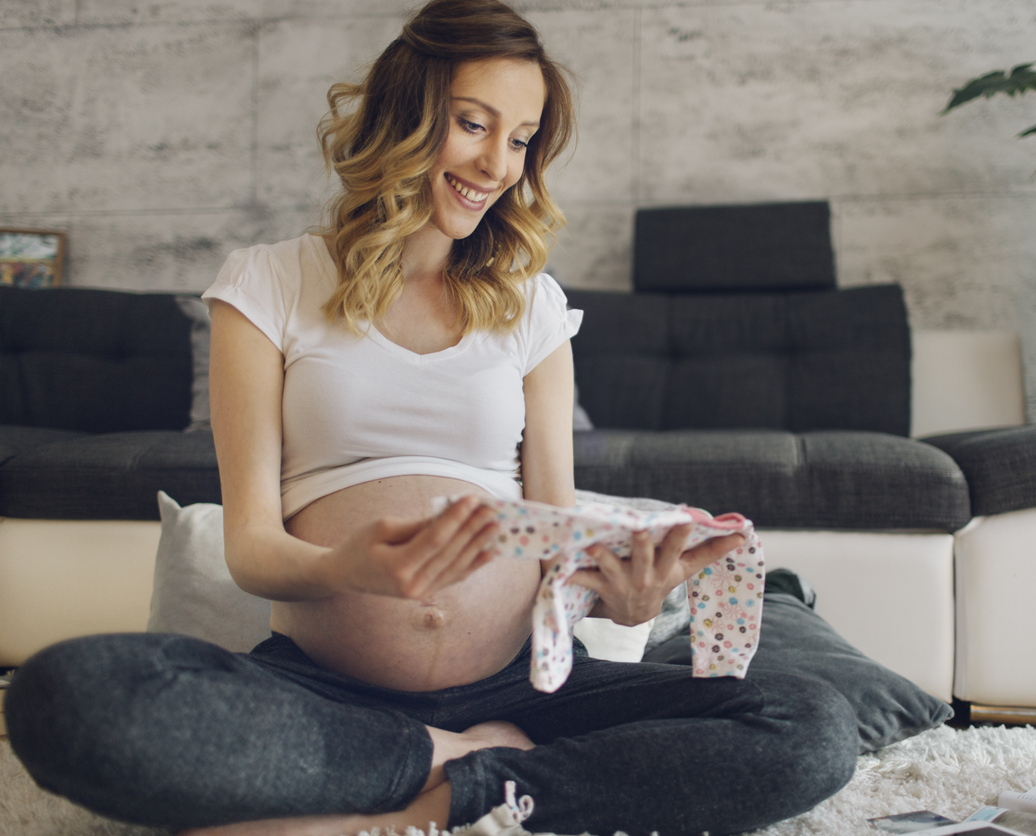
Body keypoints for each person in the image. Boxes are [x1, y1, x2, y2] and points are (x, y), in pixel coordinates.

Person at [3, 1, 859, 833]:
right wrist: (348, 566)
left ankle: (452, 793)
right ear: (406, 116)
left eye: (520, 139)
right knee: (64, 700)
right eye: (474, 124)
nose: (498, 165)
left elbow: (555, 534)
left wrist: (618, 602)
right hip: (321, 692)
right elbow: (252, 549)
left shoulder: (532, 308)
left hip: (523, 689)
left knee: (811, 725)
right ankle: (440, 756)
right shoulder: (265, 284)